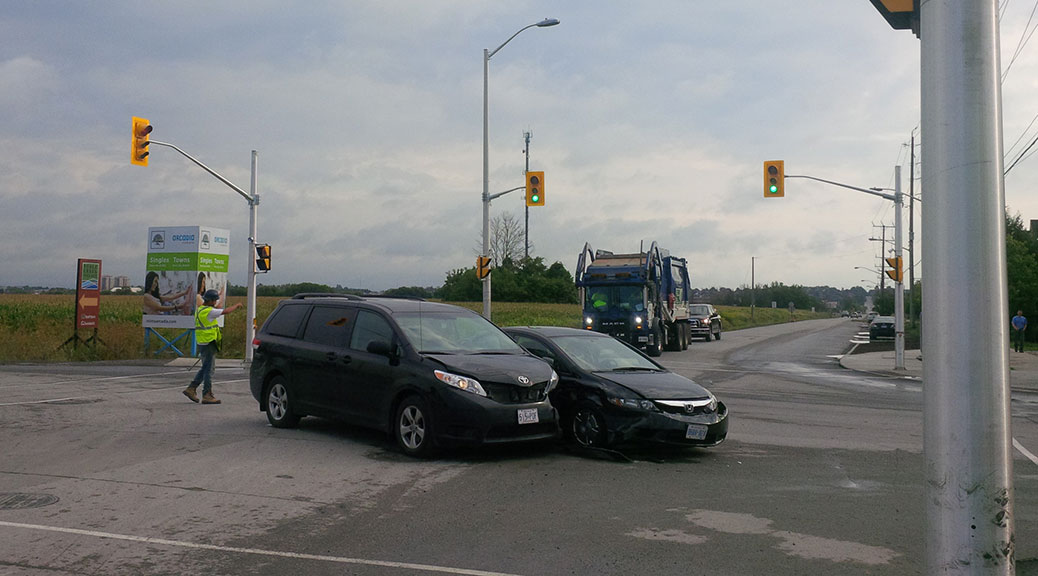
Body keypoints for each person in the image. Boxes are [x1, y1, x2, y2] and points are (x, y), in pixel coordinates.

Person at [183, 289, 243, 405]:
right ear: (210, 300)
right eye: (214, 300)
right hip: (209, 342)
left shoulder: (200, 310)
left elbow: (218, 309)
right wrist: (236, 305)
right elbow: (225, 311)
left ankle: (191, 388)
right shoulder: (210, 311)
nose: (215, 302)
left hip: (202, 342)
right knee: (209, 370)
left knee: (205, 368)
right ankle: (207, 394)